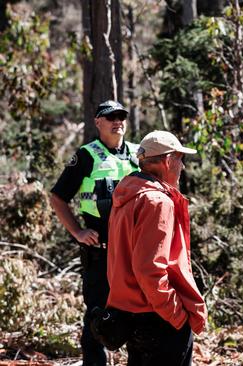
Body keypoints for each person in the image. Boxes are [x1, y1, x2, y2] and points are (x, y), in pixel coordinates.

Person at [106, 130, 207, 365]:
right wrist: (177, 315)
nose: (182, 167)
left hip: (133, 314)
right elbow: (149, 270)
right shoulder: (157, 202)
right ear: (168, 161)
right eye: (180, 159)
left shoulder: (127, 195)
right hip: (158, 318)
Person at [50, 100, 139, 366]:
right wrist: (77, 231)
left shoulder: (138, 154)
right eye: (110, 117)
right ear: (97, 122)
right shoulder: (87, 155)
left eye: (121, 116)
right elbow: (58, 197)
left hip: (133, 255)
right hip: (99, 255)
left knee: (138, 313)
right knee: (97, 316)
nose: (117, 121)